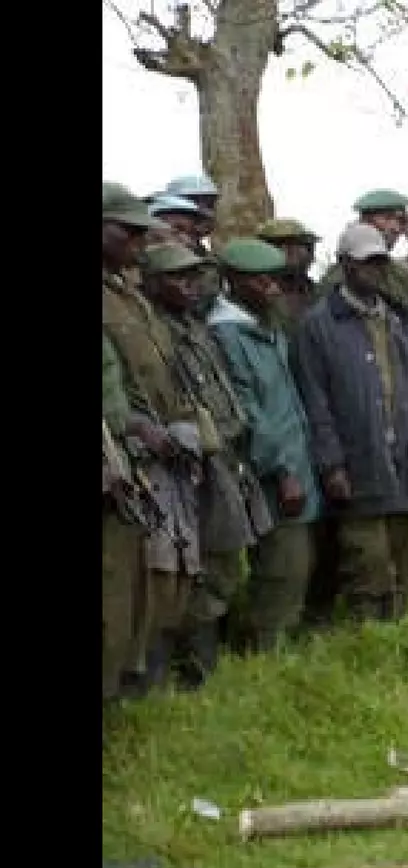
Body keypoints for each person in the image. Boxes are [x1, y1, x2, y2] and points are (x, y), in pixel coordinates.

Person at [292, 223, 408, 623]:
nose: (374, 270)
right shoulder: (318, 325)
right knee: (367, 563)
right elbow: (315, 403)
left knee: (405, 562)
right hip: (359, 463)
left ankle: (398, 637)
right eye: (365, 262)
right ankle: (367, 636)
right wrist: (332, 465)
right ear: (345, 264)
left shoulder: (401, 321)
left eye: (379, 262)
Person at [145, 241, 273, 681]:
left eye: (193, 276)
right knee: (195, 567)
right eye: (177, 277)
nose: (190, 285)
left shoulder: (196, 328)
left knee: (224, 559)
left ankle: (201, 664)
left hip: (225, 455)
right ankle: (189, 668)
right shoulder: (158, 334)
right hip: (188, 464)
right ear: (153, 282)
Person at [102, 182, 198, 702]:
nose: (140, 243)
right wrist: (136, 427)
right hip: (120, 456)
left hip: (141, 460)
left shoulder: (128, 293)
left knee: (142, 583)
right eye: (129, 232)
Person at [207, 236, 324, 651]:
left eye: (276, 280)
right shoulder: (227, 335)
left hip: (296, 458)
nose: (273, 289)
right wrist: (282, 469)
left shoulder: (266, 328)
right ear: (234, 281)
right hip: (269, 471)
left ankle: (276, 645)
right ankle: (263, 652)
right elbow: (247, 411)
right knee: (281, 565)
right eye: (262, 282)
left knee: (297, 563)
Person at [255, 218, 322, 332]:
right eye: (305, 246)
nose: (310, 255)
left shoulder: (315, 292)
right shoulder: (257, 293)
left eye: (309, 248)